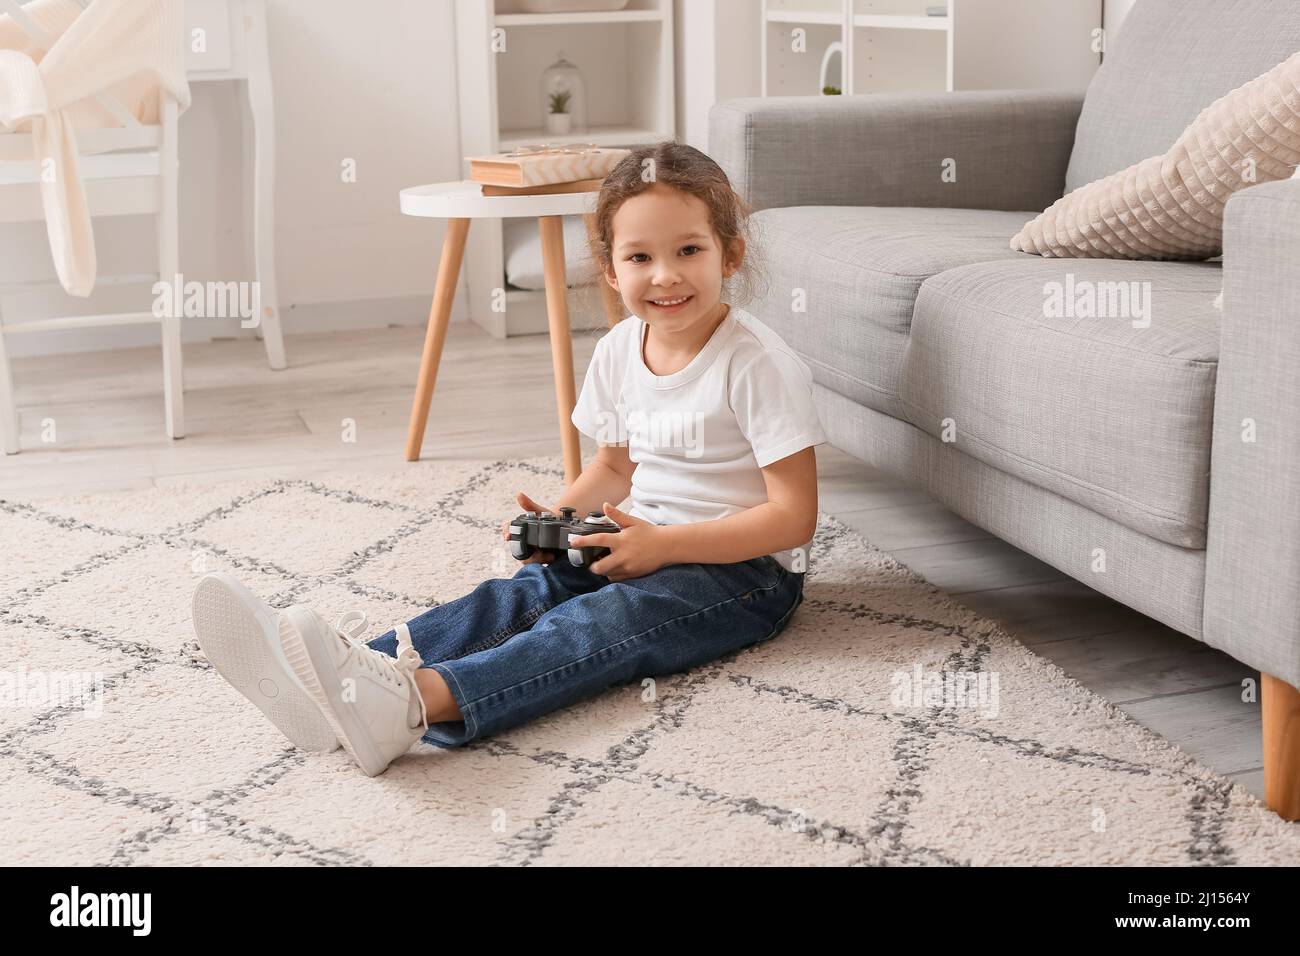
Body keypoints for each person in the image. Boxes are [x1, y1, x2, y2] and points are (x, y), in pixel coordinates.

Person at [191, 141, 827, 776]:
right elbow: (613, 467)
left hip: (744, 574)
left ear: (731, 255)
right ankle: (352, 671)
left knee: (599, 623)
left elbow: (794, 519)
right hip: (639, 539)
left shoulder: (757, 364)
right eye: (641, 257)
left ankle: (414, 706)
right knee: (523, 591)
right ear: (611, 270)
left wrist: (667, 546)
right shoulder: (618, 349)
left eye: (689, 250)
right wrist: (561, 517)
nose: (665, 275)